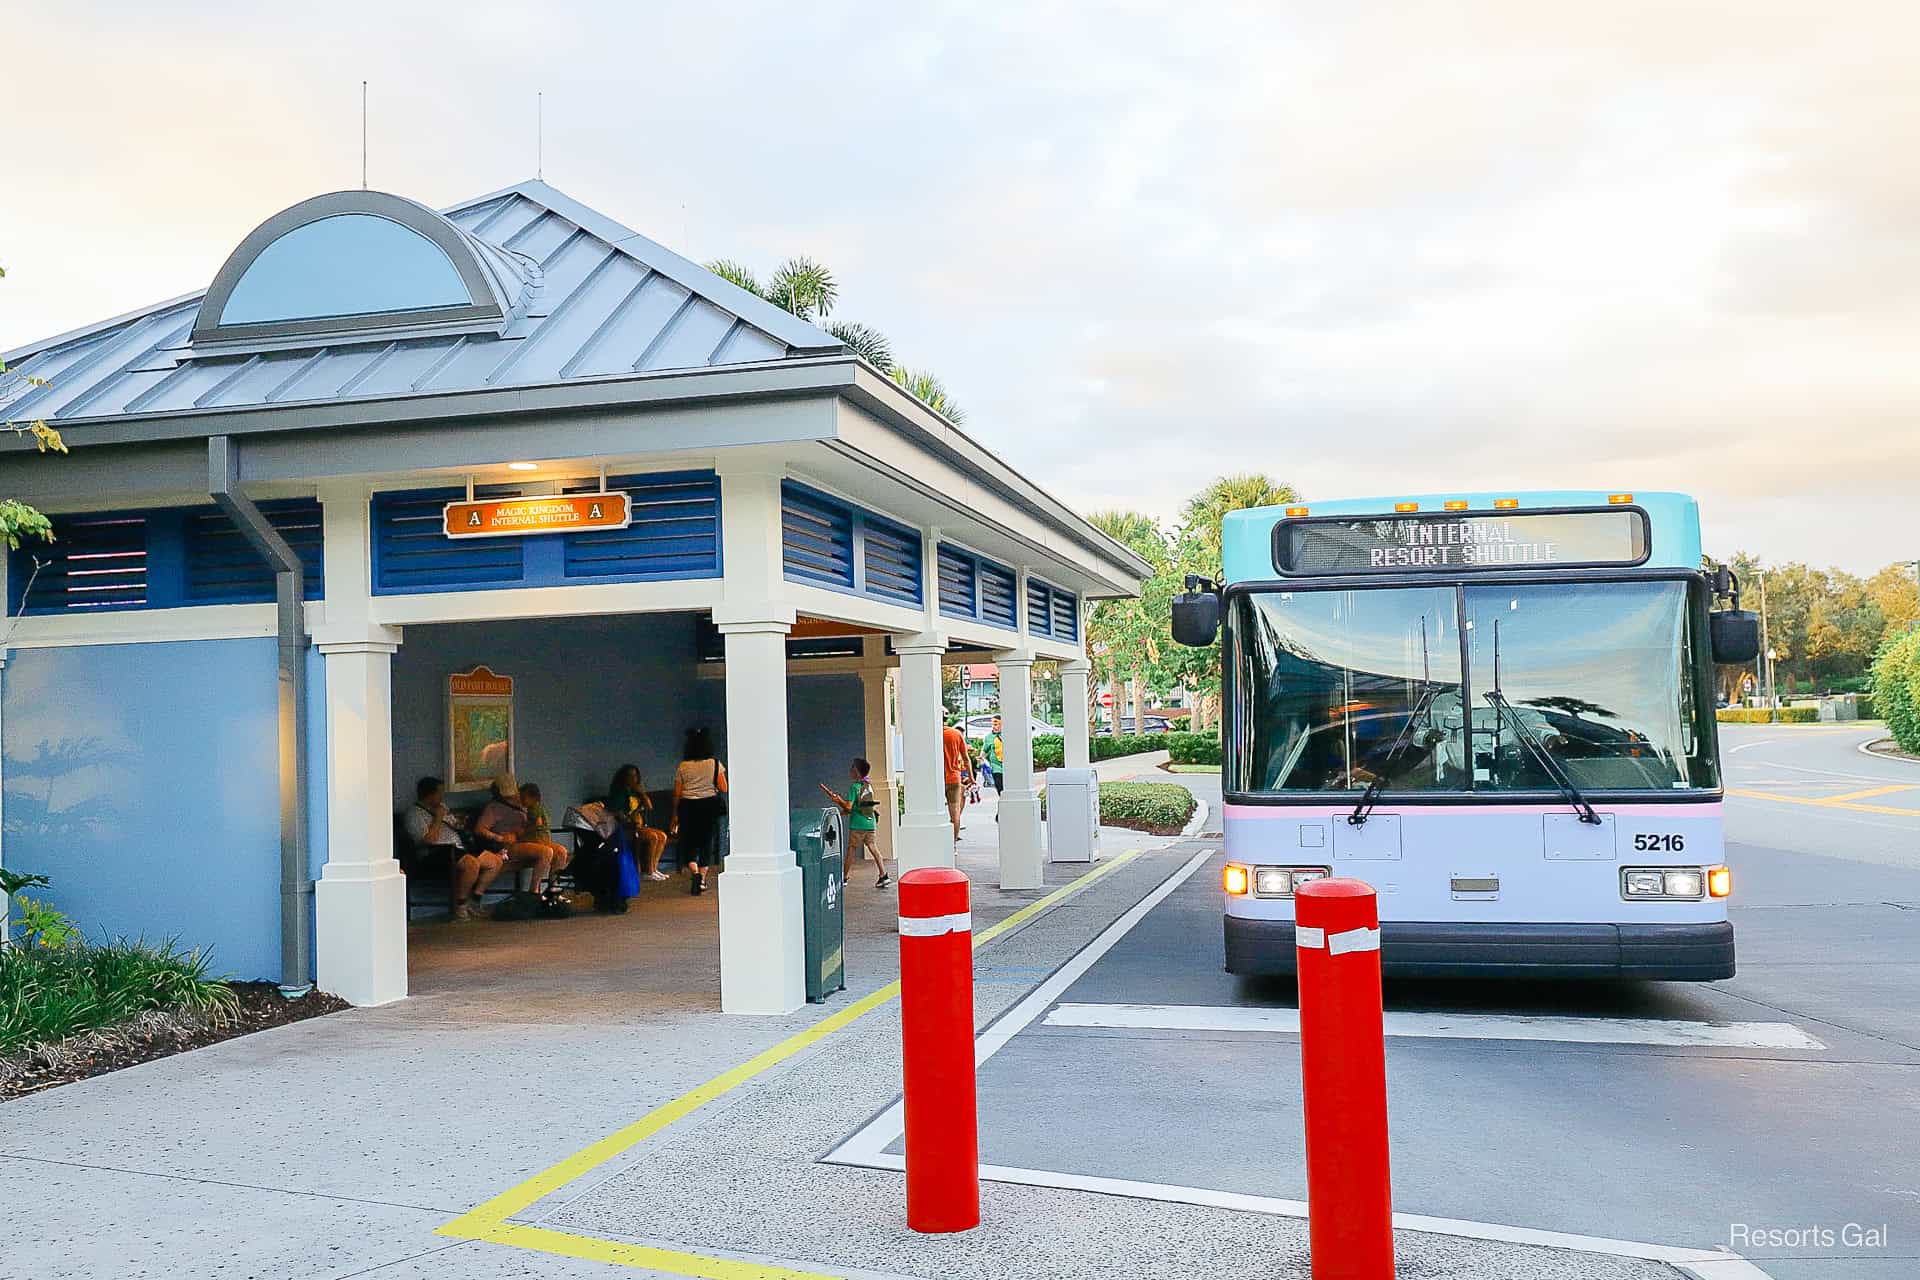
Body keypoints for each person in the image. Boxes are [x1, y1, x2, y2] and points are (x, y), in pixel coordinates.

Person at [405, 776, 502, 922]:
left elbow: (455, 824)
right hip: (436, 853)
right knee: (471, 863)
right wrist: (437, 819)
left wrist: (458, 821)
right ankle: (461, 906)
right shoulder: (414, 814)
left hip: (459, 848)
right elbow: (428, 841)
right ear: (429, 795)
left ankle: (474, 900)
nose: (441, 797)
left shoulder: (442, 807)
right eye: (439, 793)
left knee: (495, 862)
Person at [472, 772, 568, 897]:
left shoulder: (523, 801)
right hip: (509, 847)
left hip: (528, 840)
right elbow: (479, 829)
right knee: (546, 852)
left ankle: (553, 890)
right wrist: (499, 837)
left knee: (561, 851)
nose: (512, 796)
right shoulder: (493, 808)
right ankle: (534, 893)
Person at [669, 728, 728, 896]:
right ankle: (701, 880)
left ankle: (693, 871)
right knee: (706, 843)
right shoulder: (715, 764)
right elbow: (723, 787)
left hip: (688, 806)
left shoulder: (683, 766)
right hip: (709, 806)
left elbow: (677, 793)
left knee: (688, 842)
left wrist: (674, 815)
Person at [819, 757, 889, 889]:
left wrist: (838, 801)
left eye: (852, 768)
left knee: (851, 850)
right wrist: (843, 810)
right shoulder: (868, 787)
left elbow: (850, 807)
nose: (850, 770)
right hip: (870, 823)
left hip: (857, 825)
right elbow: (858, 807)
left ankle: (844, 878)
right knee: (873, 847)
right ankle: (883, 874)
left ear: (856, 771)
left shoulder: (854, 787)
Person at [609, 764, 670, 882]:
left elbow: (649, 807)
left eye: (635, 776)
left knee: (662, 836)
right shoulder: (619, 792)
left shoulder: (634, 792)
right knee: (652, 837)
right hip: (626, 828)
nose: (633, 779)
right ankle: (647, 872)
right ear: (623, 777)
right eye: (630, 776)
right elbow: (617, 812)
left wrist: (642, 793)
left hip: (638, 825)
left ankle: (653, 868)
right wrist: (630, 818)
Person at [943, 716, 972, 844]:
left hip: (936, 779)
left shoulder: (932, 735)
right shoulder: (956, 734)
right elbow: (966, 758)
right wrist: (971, 777)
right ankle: (953, 843)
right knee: (955, 811)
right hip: (954, 777)